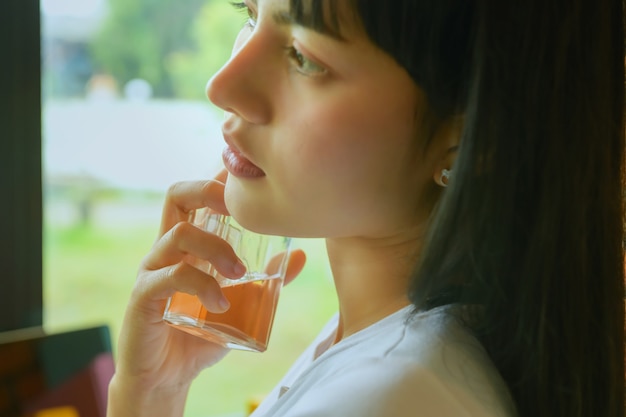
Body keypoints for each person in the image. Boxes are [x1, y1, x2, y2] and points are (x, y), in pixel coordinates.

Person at [106, 0, 625, 416]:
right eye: (249, 13)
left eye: (304, 56)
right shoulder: (388, 343)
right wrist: (152, 391)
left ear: (467, 136)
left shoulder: (391, 395)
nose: (222, 85)